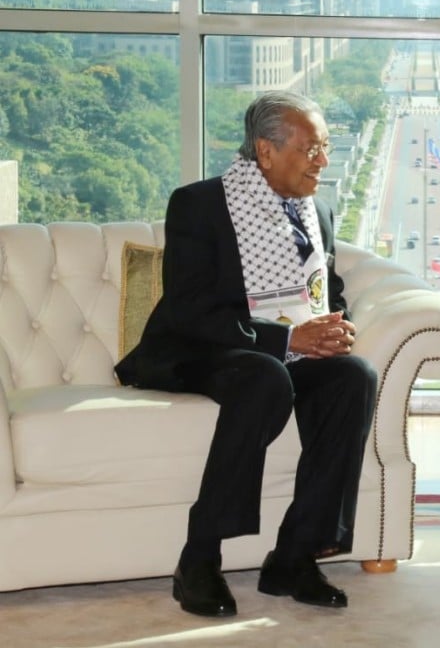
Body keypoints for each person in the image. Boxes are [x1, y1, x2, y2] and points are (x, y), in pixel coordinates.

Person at [116, 91, 378, 618]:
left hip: (280, 353)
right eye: (310, 150)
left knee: (354, 376)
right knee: (264, 376)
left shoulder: (316, 209)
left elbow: (328, 289)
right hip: (203, 349)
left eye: (325, 148)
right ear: (264, 151)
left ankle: (295, 555)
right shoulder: (199, 204)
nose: (322, 161)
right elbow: (190, 309)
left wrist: (334, 327)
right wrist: (286, 341)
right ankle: (199, 559)